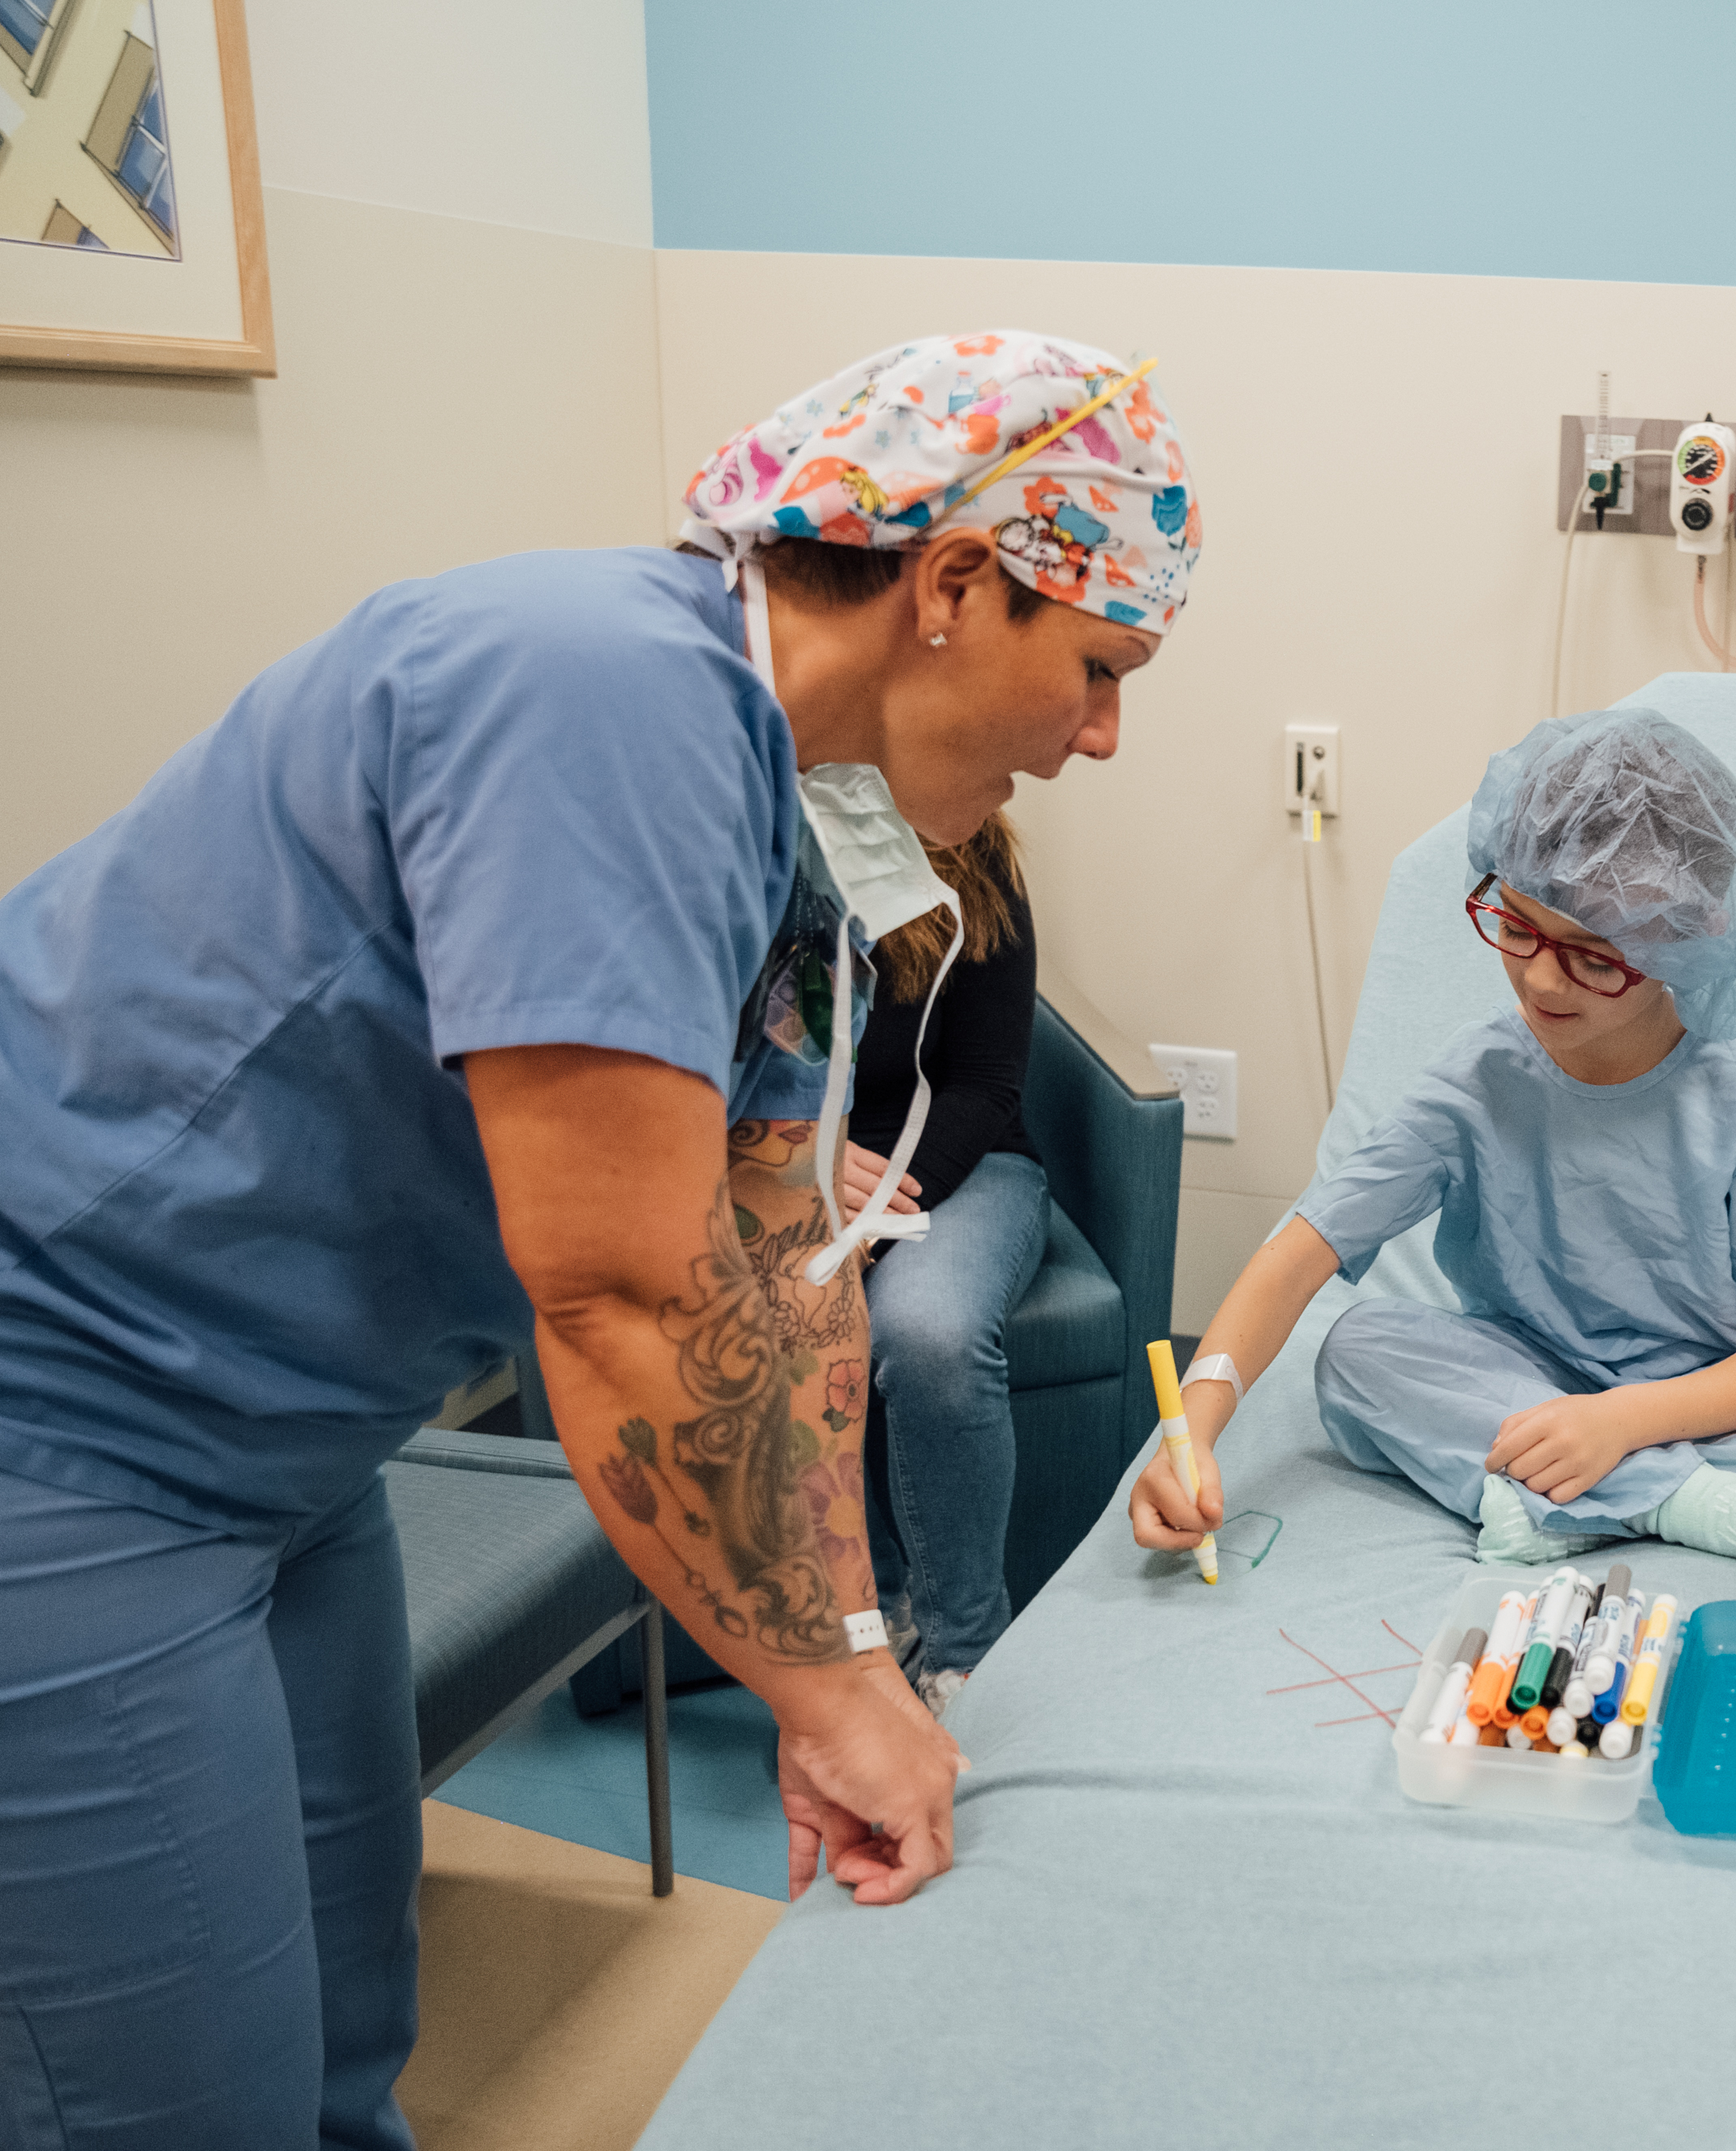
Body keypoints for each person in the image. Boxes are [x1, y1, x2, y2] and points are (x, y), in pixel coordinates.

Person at [0, 330, 1198, 2146]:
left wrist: (843, 1652)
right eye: (1101, 667)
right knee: (181, 2099)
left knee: (343, 2014)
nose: (1101, 734)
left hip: (289, 1443)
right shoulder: (594, 697)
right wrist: (832, 1694)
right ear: (955, 582)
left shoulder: (784, 810)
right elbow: (627, 1301)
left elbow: (780, 1279)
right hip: (69, 1430)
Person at [1131, 710, 1736, 1592]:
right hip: (1533, 1383)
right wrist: (1197, 1430)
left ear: (1692, 936)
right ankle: (1704, 1508)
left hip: (1714, 1396)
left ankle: (1576, 1498)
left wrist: (1623, 1422)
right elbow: (1296, 1256)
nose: (1539, 977)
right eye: (1516, 926)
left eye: (1594, 957)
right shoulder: (1477, 1080)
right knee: (1358, 1353)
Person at [838, 812, 1050, 1720]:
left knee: (927, 1334)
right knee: (792, 1339)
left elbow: (986, 1082)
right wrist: (786, 1171)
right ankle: (872, 1617)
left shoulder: (973, 853)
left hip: (963, 1163)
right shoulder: (746, 847)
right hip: (789, 1171)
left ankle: (965, 1655)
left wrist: (889, 1197)